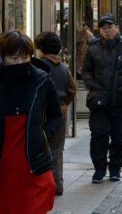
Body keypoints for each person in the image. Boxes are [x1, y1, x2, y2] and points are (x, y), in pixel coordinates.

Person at [0, 30, 62, 214]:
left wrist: (44, 135)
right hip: (0, 168)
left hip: (34, 164)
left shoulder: (42, 82)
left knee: (35, 207)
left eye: (24, 57)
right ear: (2, 57)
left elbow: (55, 115)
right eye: (13, 58)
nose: (19, 63)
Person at [82, 14, 122, 183]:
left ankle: (115, 168)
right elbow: (86, 71)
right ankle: (99, 169)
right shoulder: (93, 48)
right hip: (99, 101)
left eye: (110, 27)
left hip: (120, 101)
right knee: (98, 135)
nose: (107, 30)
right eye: (103, 28)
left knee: (120, 136)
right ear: (99, 30)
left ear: (117, 27)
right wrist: (93, 86)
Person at [34, 31, 77, 196]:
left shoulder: (38, 65)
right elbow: (72, 89)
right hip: (60, 112)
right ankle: (57, 184)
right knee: (57, 149)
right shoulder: (63, 67)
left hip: (43, 113)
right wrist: (65, 103)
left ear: (42, 49)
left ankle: (46, 185)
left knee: (43, 149)